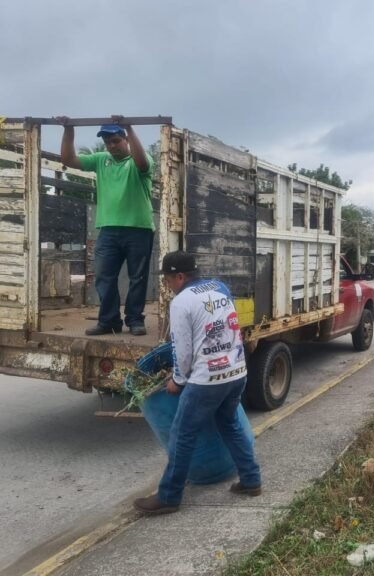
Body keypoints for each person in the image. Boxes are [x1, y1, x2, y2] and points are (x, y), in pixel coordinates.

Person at [133, 251, 262, 515]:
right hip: (236, 372)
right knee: (230, 424)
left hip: (207, 379)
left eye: (169, 280)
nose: (168, 286)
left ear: (180, 276)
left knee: (182, 434)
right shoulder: (220, 287)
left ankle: (169, 496)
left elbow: (182, 350)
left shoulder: (182, 302)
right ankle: (251, 480)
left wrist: (178, 381)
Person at [58, 117, 154, 336]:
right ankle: (110, 321)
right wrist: (68, 130)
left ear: (126, 139)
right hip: (108, 230)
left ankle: (135, 320)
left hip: (138, 229)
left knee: (137, 277)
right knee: (103, 277)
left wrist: (130, 126)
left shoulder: (139, 160)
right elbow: (68, 159)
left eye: (116, 141)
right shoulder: (102, 160)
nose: (111, 146)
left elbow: (142, 164)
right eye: (108, 142)